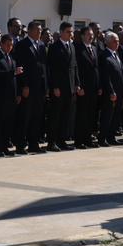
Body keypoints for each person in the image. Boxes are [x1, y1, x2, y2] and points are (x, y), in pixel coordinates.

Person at [12, 21, 47, 153]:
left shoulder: (42, 45)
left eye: (40, 30)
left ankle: (34, 144)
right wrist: (24, 85)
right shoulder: (22, 45)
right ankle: (20, 145)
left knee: (37, 117)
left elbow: (43, 66)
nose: (39, 33)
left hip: (39, 87)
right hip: (28, 87)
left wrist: (46, 86)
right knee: (25, 117)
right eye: (37, 30)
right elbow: (21, 65)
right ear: (30, 30)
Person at [45, 22, 79, 151]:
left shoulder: (72, 46)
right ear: (61, 32)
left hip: (70, 87)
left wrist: (77, 84)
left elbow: (74, 67)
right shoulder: (54, 47)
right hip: (58, 88)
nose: (71, 34)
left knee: (66, 116)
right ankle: (51, 142)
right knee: (55, 116)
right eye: (68, 32)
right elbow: (52, 69)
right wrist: (54, 87)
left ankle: (62, 140)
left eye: (71, 32)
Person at [0, 33, 19, 156]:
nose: (9, 47)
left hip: (11, 96)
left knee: (8, 123)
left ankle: (5, 146)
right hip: (0, 96)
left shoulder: (11, 58)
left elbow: (15, 79)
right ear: (1, 44)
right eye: (7, 45)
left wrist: (17, 94)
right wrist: (13, 72)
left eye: (11, 45)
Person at [96, 31, 123, 144]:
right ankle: (102, 138)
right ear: (107, 42)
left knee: (116, 117)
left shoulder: (116, 54)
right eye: (114, 41)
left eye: (118, 41)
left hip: (119, 91)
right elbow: (105, 76)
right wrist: (111, 91)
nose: (117, 43)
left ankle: (111, 137)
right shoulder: (104, 55)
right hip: (110, 92)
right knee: (107, 116)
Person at [73, 25, 99, 149]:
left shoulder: (94, 49)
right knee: (82, 115)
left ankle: (88, 138)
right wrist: (79, 85)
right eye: (88, 35)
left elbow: (96, 69)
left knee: (90, 114)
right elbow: (77, 69)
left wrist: (98, 85)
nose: (91, 37)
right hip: (83, 87)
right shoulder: (78, 49)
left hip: (93, 87)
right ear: (83, 36)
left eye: (92, 35)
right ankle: (79, 140)